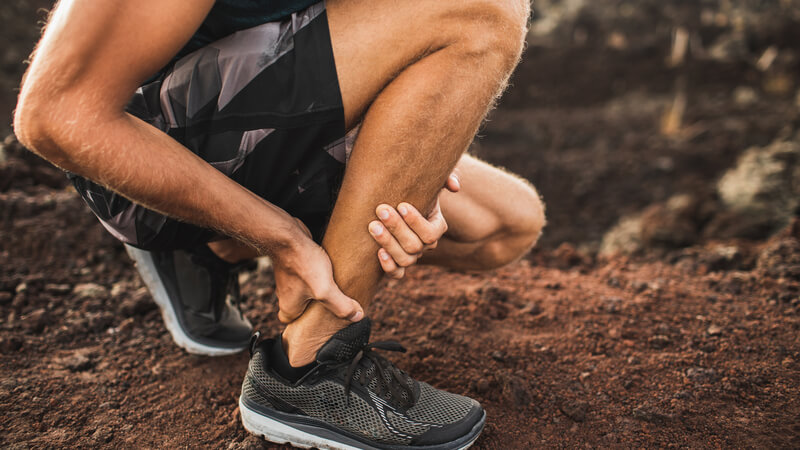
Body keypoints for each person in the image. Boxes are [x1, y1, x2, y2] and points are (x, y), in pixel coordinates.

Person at [14, 0, 543, 448]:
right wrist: (279, 235)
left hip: (263, 115)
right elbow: (55, 116)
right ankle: (309, 370)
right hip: (130, 157)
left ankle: (217, 245)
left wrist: (420, 153)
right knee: (486, 8)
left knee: (507, 224)